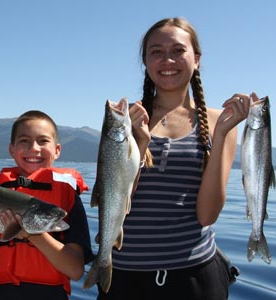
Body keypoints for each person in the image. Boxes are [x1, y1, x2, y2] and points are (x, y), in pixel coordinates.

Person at [98, 17, 251, 300]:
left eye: (178, 50)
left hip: (194, 278)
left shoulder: (223, 122)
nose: (167, 59)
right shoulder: (124, 120)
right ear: (145, 61)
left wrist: (220, 138)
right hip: (123, 277)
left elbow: (207, 215)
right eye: (156, 51)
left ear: (197, 59)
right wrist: (140, 142)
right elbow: (116, 200)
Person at [0, 110, 94, 300]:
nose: (34, 148)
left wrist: (30, 232)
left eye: (43, 141)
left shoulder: (68, 197)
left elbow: (76, 270)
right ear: (12, 149)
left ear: (57, 150)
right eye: (24, 141)